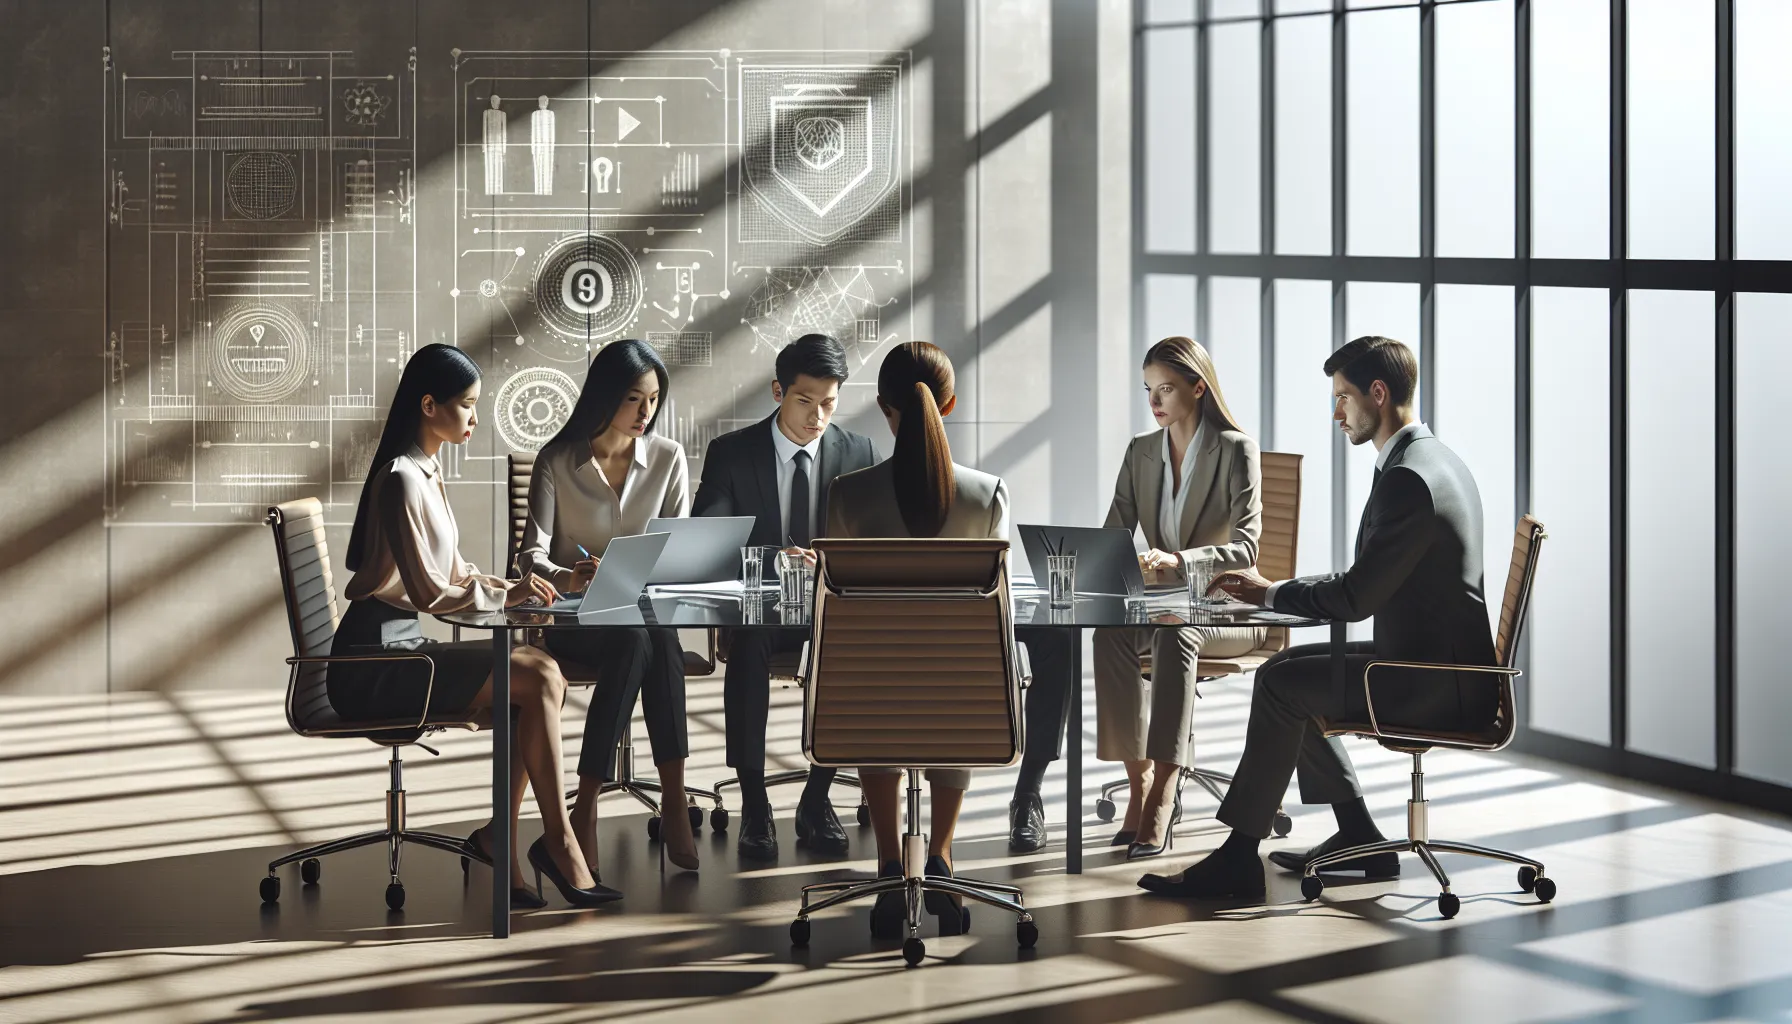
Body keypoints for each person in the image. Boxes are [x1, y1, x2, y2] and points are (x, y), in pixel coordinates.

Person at [1138, 335, 1498, 900]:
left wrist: (1270, 592)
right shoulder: (1431, 458)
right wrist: (1276, 591)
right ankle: (1359, 834)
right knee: (1288, 671)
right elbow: (1370, 581)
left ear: (1378, 393)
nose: (1336, 412)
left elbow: (1356, 598)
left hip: (1431, 683)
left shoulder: (1409, 479)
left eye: (1343, 398)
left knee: (1284, 683)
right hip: (1437, 663)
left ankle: (1238, 858)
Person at [331, 343, 615, 910]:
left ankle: (502, 842)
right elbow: (431, 593)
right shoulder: (401, 480)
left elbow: (455, 572)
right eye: (466, 406)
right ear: (429, 405)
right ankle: (556, 843)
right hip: (373, 662)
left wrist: (534, 585)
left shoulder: (426, 471)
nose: (475, 418)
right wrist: (505, 594)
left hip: (401, 643)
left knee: (540, 676)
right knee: (537, 679)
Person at [825, 341, 1016, 937]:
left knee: (865, 674)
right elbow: (999, 611)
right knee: (963, 671)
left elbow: (834, 615)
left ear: (885, 409)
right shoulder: (987, 495)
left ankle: (888, 864)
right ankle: (941, 857)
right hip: (965, 707)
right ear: (950, 404)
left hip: (870, 704)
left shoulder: (848, 495)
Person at [516, 339, 700, 873]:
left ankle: (668, 798)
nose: (645, 412)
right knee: (640, 638)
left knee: (653, 635)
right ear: (604, 398)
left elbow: (678, 546)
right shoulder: (557, 460)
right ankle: (589, 805)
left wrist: (660, 570)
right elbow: (530, 555)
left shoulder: (668, 458)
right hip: (577, 618)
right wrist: (566, 575)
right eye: (633, 399)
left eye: (653, 399)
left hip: (641, 613)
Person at [691, 333, 877, 860]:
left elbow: (874, 543)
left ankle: (817, 799)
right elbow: (708, 538)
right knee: (748, 642)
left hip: (827, 606)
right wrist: (774, 558)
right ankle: (754, 800)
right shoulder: (733, 453)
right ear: (778, 391)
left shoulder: (858, 452)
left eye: (829, 404)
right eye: (805, 401)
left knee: (848, 644)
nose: (817, 417)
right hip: (761, 606)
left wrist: (835, 563)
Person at [1091, 337, 1266, 860]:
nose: (1155, 401)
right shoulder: (1141, 451)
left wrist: (1180, 560)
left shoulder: (1236, 449)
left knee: (1175, 629)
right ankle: (1139, 778)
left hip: (1229, 608)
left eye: (1166, 388)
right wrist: (1099, 563)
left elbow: (1248, 547)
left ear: (1198, 386)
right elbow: (1115, 533)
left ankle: (1166, 791)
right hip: (1165, 603)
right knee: (1110, 632)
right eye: (1149, 389)